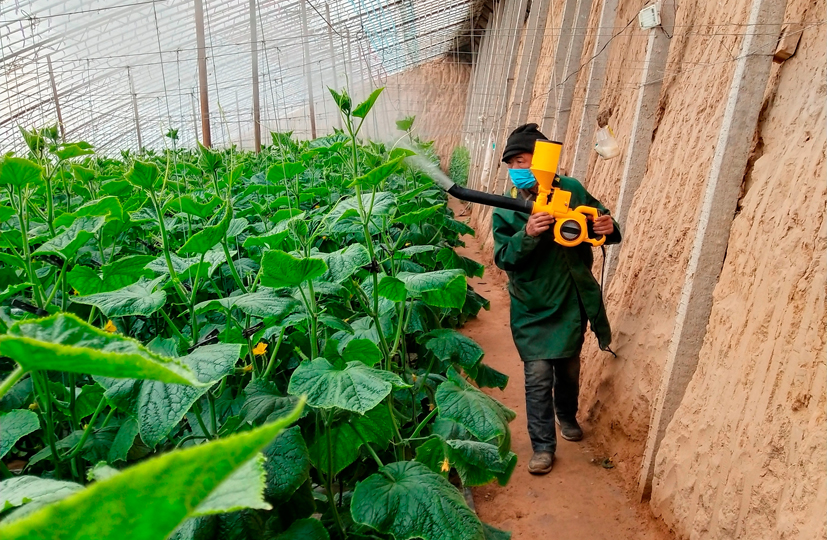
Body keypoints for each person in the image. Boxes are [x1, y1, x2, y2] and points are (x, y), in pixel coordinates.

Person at [492, 123, 622, 475]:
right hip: (532, 306)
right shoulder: (506, 209)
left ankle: (566, 414)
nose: (519, 168)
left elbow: (605, 223)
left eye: (527, 160)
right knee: (537, 377)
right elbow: (503, 257)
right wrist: (528, 233)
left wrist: (607, 228)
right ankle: (543, 447)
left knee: (568, 368)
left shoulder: (573, 190)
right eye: (513, 163)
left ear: (544, 163)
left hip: (569, 301)